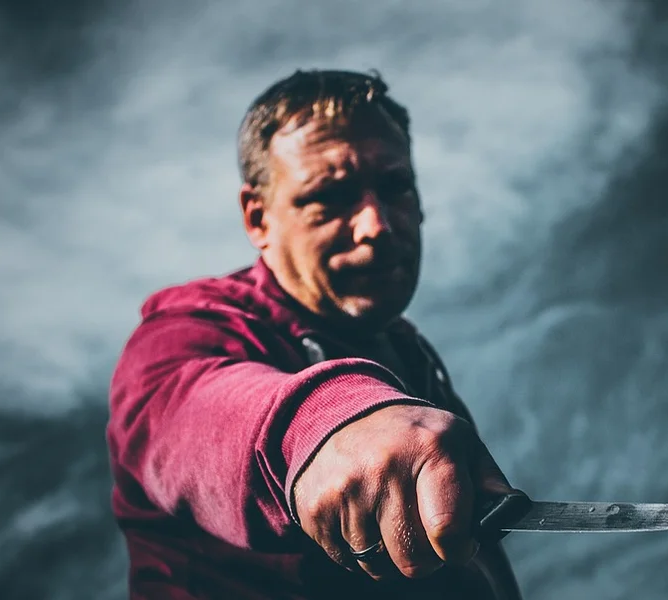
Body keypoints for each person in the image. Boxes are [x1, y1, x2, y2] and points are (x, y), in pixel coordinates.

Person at [106, 69, 526, 599]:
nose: (377, 224)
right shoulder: (183, 335)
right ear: (258, 218)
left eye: (396, 187)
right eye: (330, 196)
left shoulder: (411, 356)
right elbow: (197, 416)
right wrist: (328, 427)